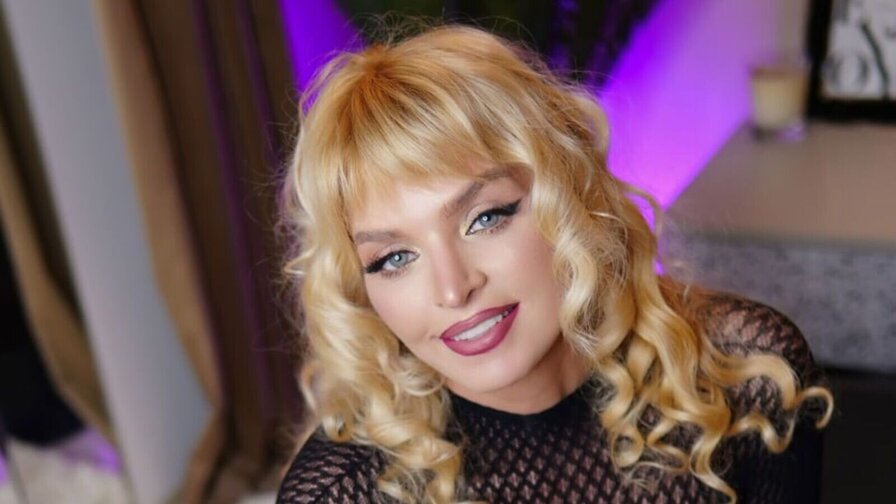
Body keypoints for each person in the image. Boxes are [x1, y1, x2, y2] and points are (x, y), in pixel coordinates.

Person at [276, 24, 833, 504]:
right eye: (394, 257)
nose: (453, 288)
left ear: (568, 194)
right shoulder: (341, 493)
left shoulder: (749, 381)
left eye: (485, 218)